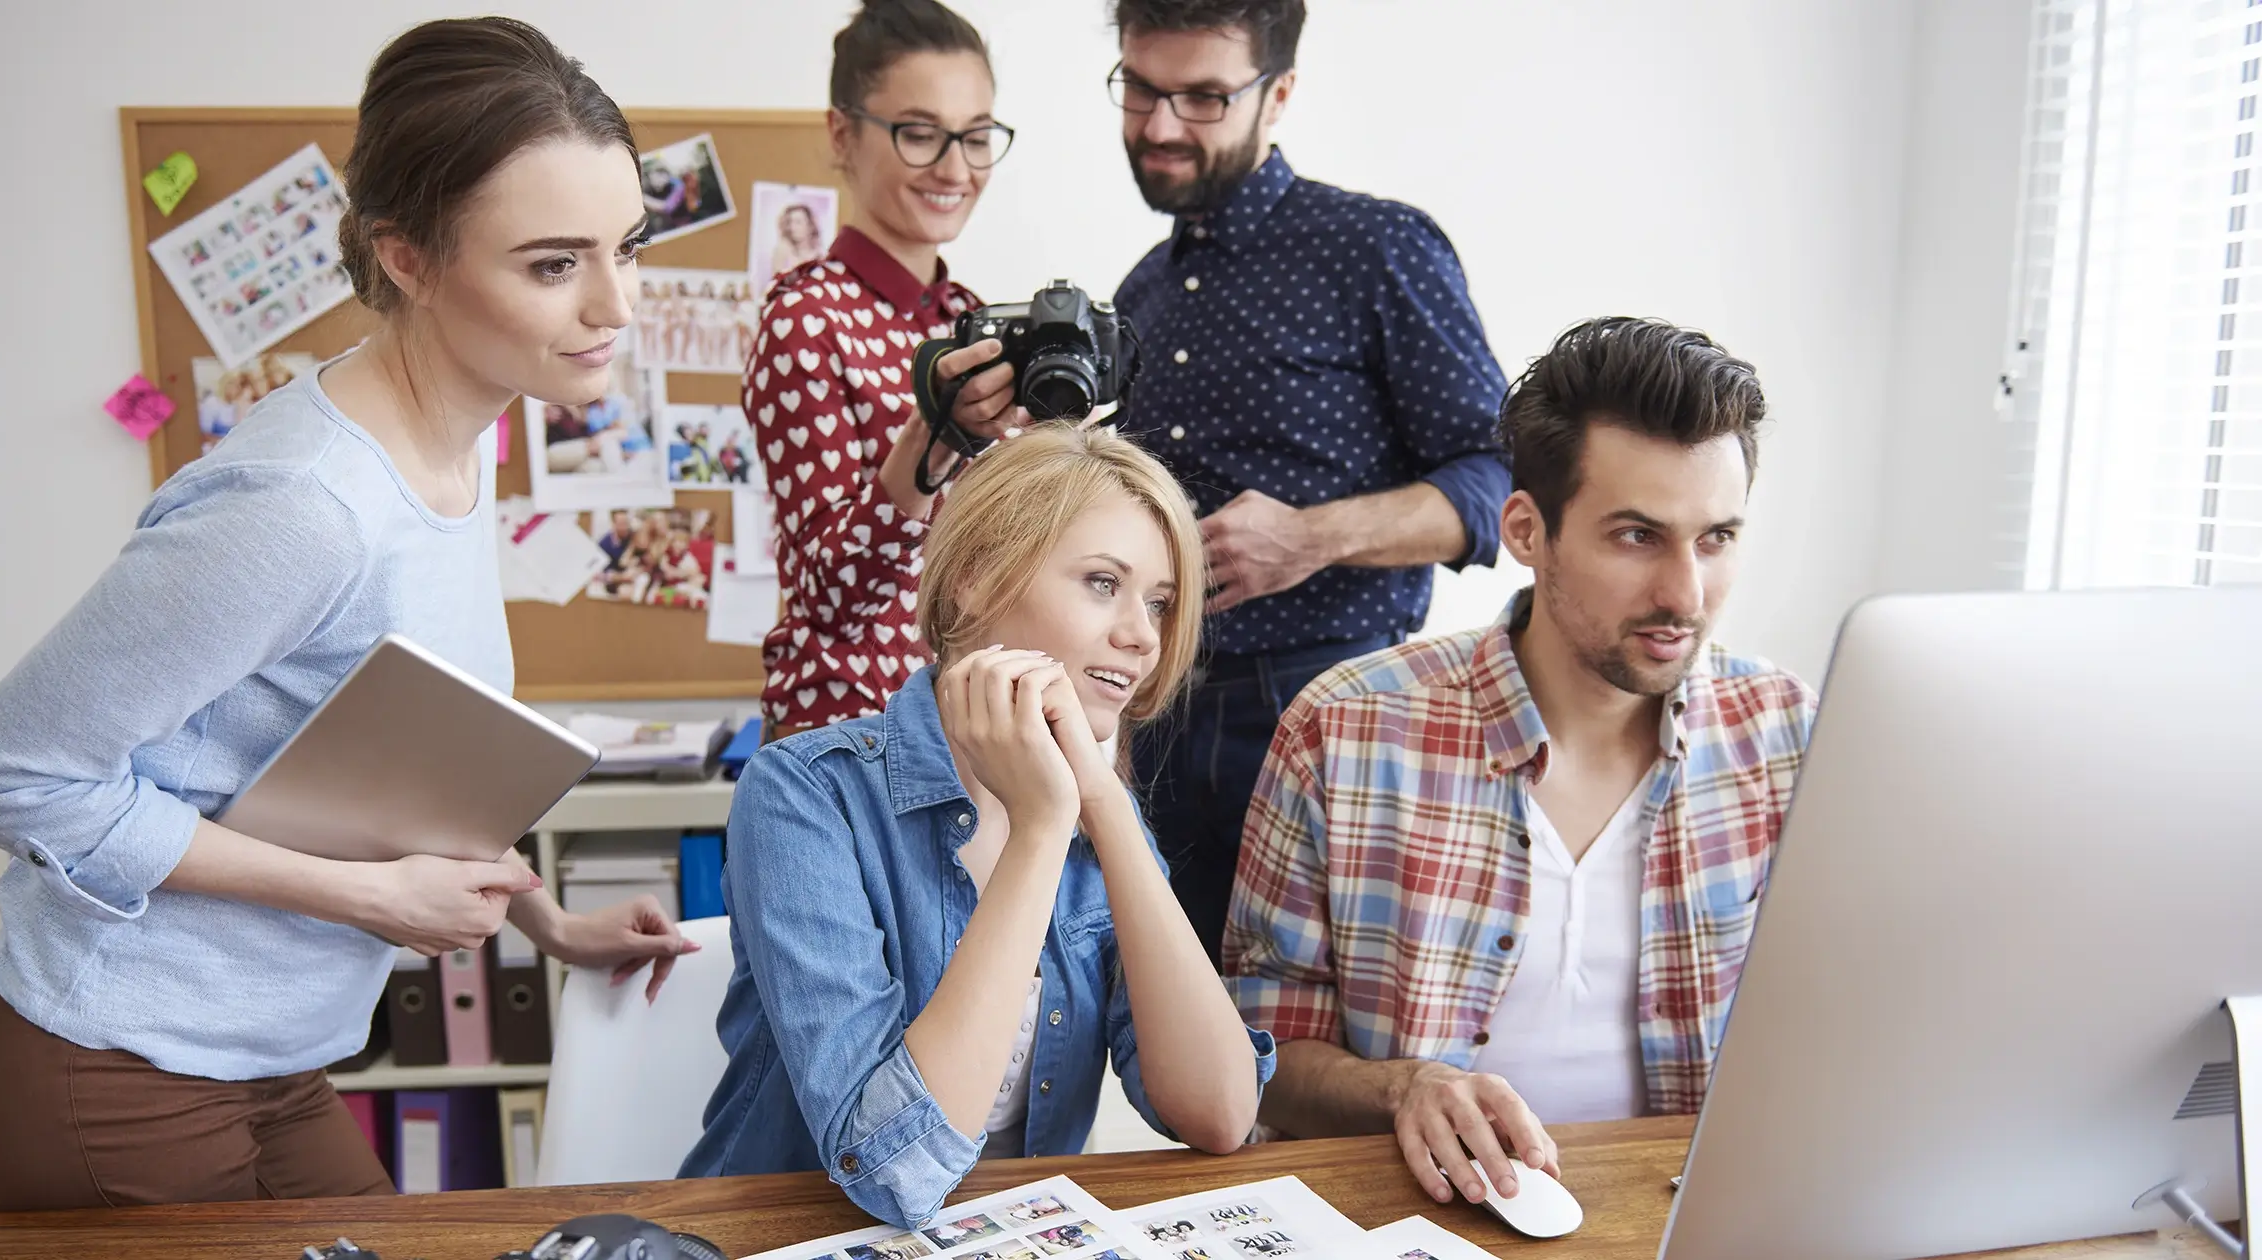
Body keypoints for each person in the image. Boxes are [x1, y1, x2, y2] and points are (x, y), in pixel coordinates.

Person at [0, 17, 696, 1212]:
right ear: (407, 257)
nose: (614, 304)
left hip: (274, 1061)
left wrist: (547, 922)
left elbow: (405, 747)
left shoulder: (465, 434)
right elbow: (10, 778)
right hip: (108, 1066)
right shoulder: (304, 506)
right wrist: (373, 900)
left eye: (629, 246)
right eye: (554, 264)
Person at [1221, 318, 1817, 1208]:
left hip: (1682, 1219)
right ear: (1527, 530)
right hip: (1424, 1222)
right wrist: (1403, 1087)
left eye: (1716, 538)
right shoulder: (1346, 730)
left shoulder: (1784, 733)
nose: (1685, 595)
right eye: (1637, 537)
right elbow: (1254, 1055)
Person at [681, 424, 1275, 1227]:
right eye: (1104, 583)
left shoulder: (1096, 809)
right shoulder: (806, 793)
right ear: (972, 578)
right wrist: (1038, 832)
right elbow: (892, 1175)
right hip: (796, 1236)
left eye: (1160, 603)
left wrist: (1101, 802)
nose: (1142, 635)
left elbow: (1218, 1113)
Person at [1103, 0, 1512, 964]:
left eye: (1203, 97)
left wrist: (1315, 535)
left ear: (1277, 93)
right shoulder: (1139, 293)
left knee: (1330, 1052)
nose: (1161, 124)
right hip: (1156, 717)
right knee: (1180, 1058)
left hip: (1332, 706)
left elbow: (1500, 477)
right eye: (1141, 88)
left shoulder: (1378, 249)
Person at [749, 0, 1028, 740]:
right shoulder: (806, 318)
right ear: (843, 133)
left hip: (964, 728)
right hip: (849, 738)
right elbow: (836, 599)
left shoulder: (969, 317)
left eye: (975, 138)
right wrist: (932, 439)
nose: (955, 169)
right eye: (919, 134)